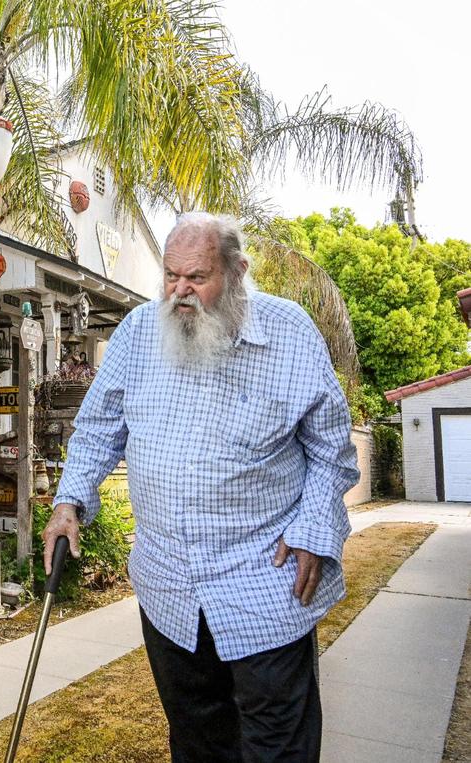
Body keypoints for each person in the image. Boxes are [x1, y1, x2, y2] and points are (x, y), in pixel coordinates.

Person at [43, 212, 358, 762]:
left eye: (197, 277)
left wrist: (314, 528)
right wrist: (70, 500)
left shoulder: (290, 333)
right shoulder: (139, 333)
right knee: (197, 741)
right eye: (170, 276)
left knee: (276, 746)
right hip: (170, 589)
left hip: (266, 581)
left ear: (236, 272)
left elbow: (332, 452)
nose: (179, 292)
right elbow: (97, 429)